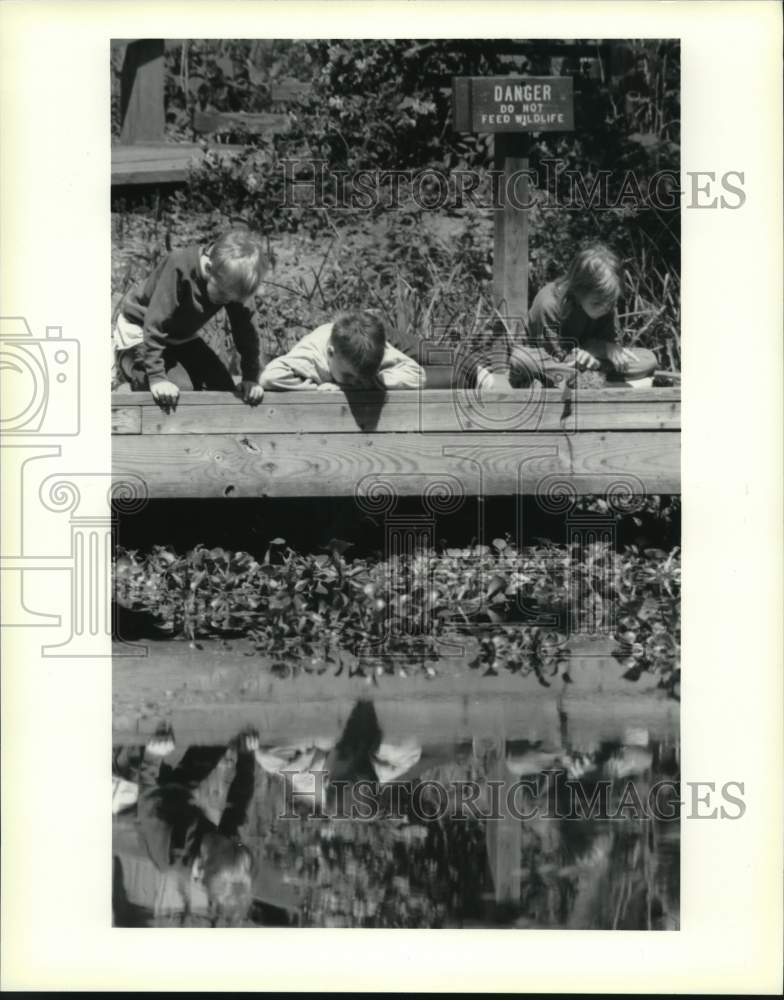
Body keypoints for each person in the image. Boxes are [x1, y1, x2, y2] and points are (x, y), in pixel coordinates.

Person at [112, 725, 259, 927]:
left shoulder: (169, 856)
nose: (230, 837)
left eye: (224, 841)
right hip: (178, 796)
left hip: (141, 800)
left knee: (134, 749)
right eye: (233, 842)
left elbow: (148, 801)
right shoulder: (228, 851)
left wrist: (153, 756)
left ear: (203, 863)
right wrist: (247, 756)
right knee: (216, 739)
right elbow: (240, 802)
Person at [112, 228, 269, 410]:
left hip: (179, 334)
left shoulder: (234, 280)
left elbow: (246, 331)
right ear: (209, 269)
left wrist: (250, 377)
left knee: (222, 387)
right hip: (141, 329)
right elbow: (154, 324)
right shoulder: (179, 266)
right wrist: (156, 378)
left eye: (231, 298)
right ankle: (129, 366)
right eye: (222, 295)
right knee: (179, 391)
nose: (226, 301)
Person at [509, 244, 658, 389]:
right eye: (597, 302)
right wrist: (580, 356)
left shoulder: (606, 305)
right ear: (578, 289)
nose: (605, 308)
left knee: (648, 358)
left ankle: (584, 383)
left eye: (611, 302)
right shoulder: (549, 303)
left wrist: (604, 350)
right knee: (521, 359)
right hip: (551, 361)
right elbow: (555, 355)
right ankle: (600, 384)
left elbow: (609, 345)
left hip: (587, 365)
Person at [259, 311, 426, 392]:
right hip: (344, 336)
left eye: (361, 377)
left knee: (443, 358)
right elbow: (269, 377)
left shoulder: (371, 351)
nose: (354, 383)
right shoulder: (311, 357)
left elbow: (418, 375)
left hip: (374, 335)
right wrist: (317, 387)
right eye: (349, 376)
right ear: (330, 354)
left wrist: (374, 381)